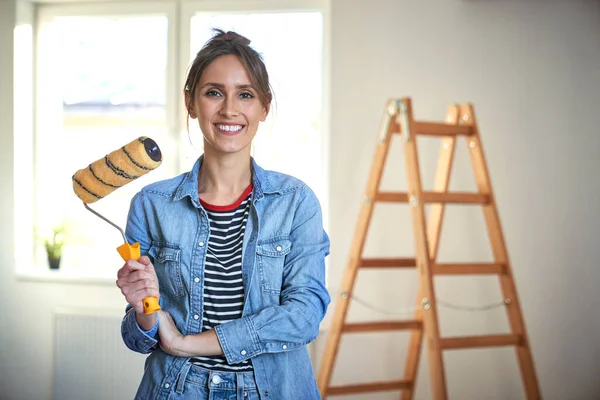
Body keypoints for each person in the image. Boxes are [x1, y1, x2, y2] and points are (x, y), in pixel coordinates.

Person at [115, 28, 330, 400]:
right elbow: (139, 337)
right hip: (176, 389)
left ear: (264, 106)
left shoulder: (296, 202)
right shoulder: (151, 204)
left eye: (244, 95)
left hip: (273, 390)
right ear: (191, 102)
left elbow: (305, 315)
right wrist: (143, 309)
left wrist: (188, 343)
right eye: (214, 92)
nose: (229, 109)